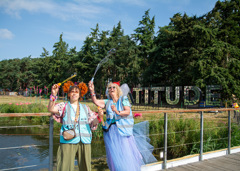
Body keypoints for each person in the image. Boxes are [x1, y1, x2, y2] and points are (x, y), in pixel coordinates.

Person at [88, 81, 157, 171]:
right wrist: (92, 90)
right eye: (109, 88)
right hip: (110, 133)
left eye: (113, 87)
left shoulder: (123, 99)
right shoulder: (107, 102)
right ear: (108, 91)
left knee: (126, 154)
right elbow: (95, 101)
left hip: (123, 131)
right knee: (115, 156)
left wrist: (117, 111)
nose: (111, 89)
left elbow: (127, 111)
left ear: (117, 90)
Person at [48, 82, 99, 171]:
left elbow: (93, 122)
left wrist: (100, 117)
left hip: (85, 141)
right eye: (72, 91)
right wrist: (53, 94)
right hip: (68, 140)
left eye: (76, 92)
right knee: (65, 168)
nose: (74, 93)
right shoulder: (63, 106)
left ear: (80, 95)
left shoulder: (85, 107)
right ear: (68, 94)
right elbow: (51, 109)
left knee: (86, 168)